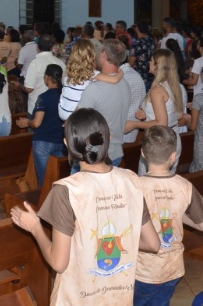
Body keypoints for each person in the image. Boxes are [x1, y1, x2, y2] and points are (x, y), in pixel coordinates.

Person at [10, 108, 160, 305]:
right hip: (118, 297)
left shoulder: (66, 190)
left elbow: (58, 263)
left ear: (67, 144)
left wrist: (35, 227)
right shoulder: (131, 179)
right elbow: (153, 244)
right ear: (108, 139)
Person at [135, 126, 203, 305]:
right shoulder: (185, 186)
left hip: (143, 269)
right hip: (173, 267)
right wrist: (177, 214)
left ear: (143, 154)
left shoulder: (135, 187)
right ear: (173, 156)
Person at [126, 49, 186, 174]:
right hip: (173, 137)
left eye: (151, 61)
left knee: (148, 182)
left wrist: (134, 124)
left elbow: (162, 122)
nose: (149, 62)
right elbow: (178, 114)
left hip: (159, 142)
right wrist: (147, 115)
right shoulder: (174, 85)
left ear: (158, 66)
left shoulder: (157, 90)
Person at [76, 39, 133, 168]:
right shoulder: (125, 84)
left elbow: (78, 122)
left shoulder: (95, 88)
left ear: (104, 54)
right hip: (116, 152)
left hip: (94, 155)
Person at [17, 64, 66, 188]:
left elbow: (36, 123)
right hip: (61, 141)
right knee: (59, 178)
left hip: (43, 142)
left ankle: (44, 204)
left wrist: (27, 122)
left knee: (45, 180)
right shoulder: (65, 95)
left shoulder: (44, 97)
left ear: (47, 78)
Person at [24, 34, 65, 114]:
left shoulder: (35, 63)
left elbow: (29, 88)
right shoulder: (60, 63)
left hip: (37, 107)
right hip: (55, 107)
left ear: (37, 46)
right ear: (52, 47)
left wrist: (19, 86)